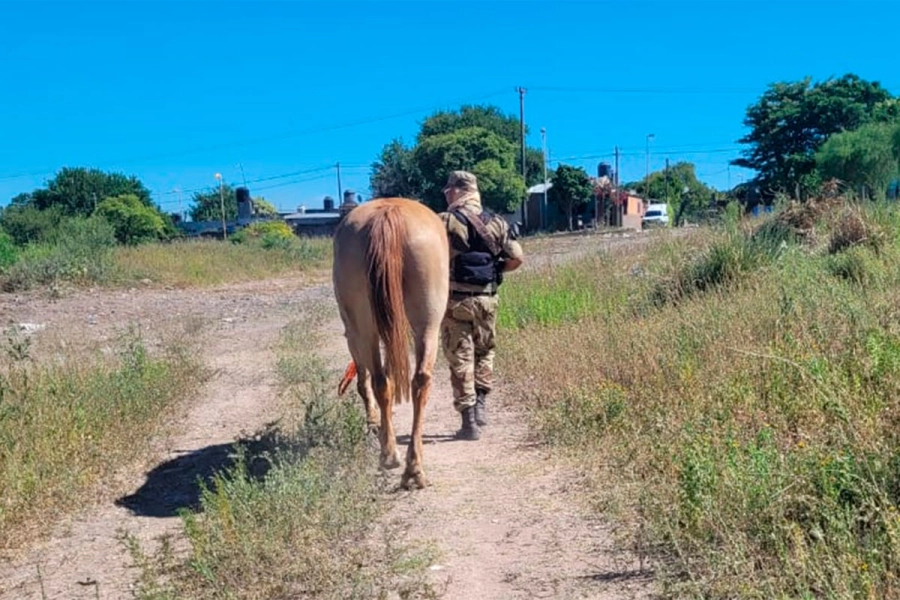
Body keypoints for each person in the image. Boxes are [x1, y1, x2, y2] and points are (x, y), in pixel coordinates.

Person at [438, 170, 524, 441]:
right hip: (487, 299)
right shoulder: (497, 222)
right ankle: (482, 407)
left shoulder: (444, 221)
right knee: (485, 351)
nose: (446, 195)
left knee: (459, 356)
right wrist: (498, 271)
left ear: (457, 191)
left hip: (456, 301)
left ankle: (468, 421)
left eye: (448, 191)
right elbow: (517, 258)